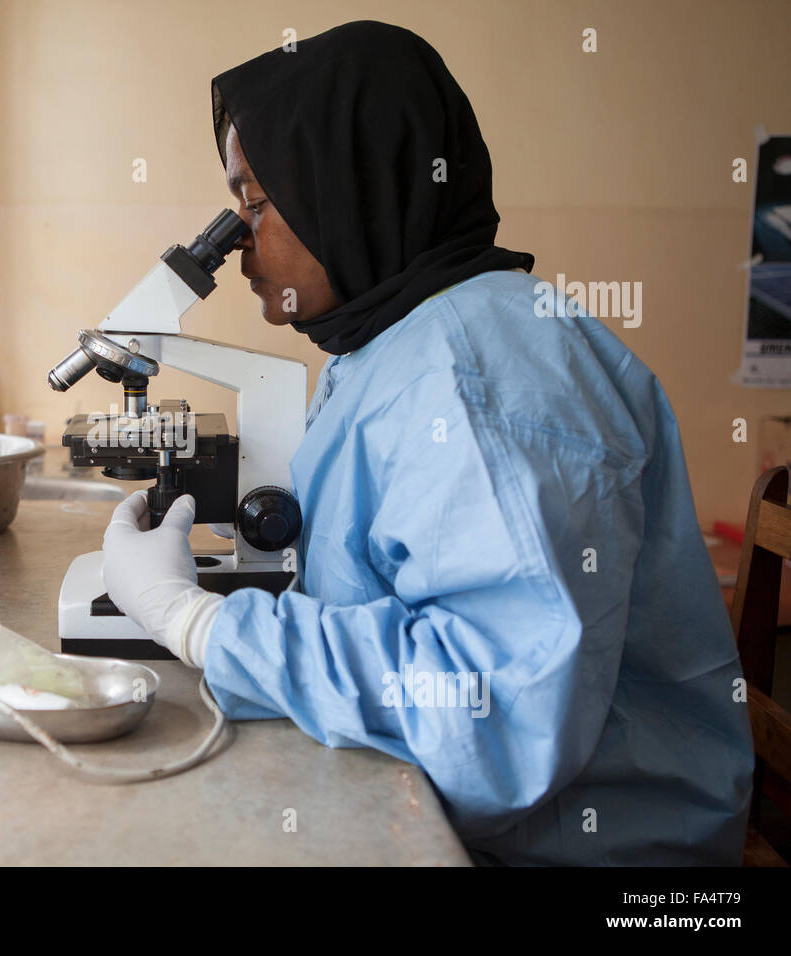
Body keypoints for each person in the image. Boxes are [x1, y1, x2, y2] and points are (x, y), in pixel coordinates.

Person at [101, 20, 753, 866]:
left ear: (351, 187)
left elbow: (489, 721)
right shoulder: (402, 339)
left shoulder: (480, 373)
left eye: (255, 202)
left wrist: (199, 626)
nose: (237, 243)